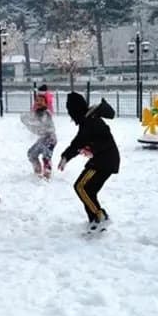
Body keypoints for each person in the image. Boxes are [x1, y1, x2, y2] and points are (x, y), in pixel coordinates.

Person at [58, 92, 120, 232]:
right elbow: (77, 143)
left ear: (75, 110)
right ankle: (94, 220)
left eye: (70, 111)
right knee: (89, 190)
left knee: (81, 187)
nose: (70, 115)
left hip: (105, 161)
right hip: (103, 161)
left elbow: (105, 139)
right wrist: (65, 157)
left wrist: (92, 149)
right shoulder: (86, 121)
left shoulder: (92, 120)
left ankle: (101, 216)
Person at [20, 93, 57, 179]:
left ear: (45, 103)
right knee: (31, 154)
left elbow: (40, 126)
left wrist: (28, 122)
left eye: (41, 101)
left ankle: (47, 175)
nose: (39, 102)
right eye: (37, 100)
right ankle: (38, 171)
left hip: (50, 138)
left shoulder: (46, 113)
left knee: (46, 156)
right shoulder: (37, 113)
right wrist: (25, 120)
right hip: (43, 138)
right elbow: (34, 126)